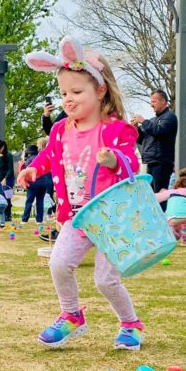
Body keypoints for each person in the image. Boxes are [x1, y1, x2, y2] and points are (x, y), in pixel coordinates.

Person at [21, 36, 144, 350]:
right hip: (76, 215)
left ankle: (130, 324)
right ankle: (72, 315)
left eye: (77, 92)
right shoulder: (61, 129)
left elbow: (131, 162)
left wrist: (115, 160)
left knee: (105, 280)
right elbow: (49, 155)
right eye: (64, 93)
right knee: (58, 264)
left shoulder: (116, 129)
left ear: (100, 91)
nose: (68, 100)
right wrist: (34, 168)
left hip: (110, 217)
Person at [131, 89, 177, 194]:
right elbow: (143, 139)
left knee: (159, 194)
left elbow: (158, 131)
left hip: (161, 162)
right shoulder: (152, 120)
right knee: (151, 194)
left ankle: (162, 210)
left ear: (163, 102)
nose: (151, 105)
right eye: (151, 102)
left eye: (154, 102)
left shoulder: (170, 117)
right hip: (151, 161)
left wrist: (143, 121)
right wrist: (136, 129)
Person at [156, 168, 186, 246]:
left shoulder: (171, 192)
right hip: (185, 217)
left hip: (171, 218)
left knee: (172, 218)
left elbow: (158, 197)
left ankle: (172, 232)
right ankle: (185, 239)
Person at [20, 139, 53, 228]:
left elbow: (27, 172)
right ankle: (39, 220)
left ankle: (24, 219)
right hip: (43, 182)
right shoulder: (45, 157)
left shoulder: (30, 160)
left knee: (29, 201)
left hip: (33, 183)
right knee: (40, 201)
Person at [0, 139, 15, 221]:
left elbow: (10, 170)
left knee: (7, 197)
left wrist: (5, 179)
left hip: (8, 179)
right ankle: (1, 215)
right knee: (0, 197)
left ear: (3, 147)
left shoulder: (9, 155)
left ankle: (8, 215)